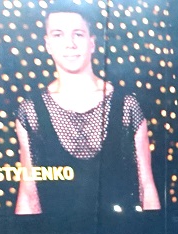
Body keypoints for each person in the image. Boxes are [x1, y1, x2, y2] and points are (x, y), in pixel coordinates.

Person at [14, 0, 161, 216]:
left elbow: (146, 185)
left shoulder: (126, 105)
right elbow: (29, 194)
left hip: (123, 232)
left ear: (92, 43)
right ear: (47, 44)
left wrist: (155, 232)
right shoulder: (31, 111)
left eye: (78, 34)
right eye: (58, 35)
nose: (70, 44)